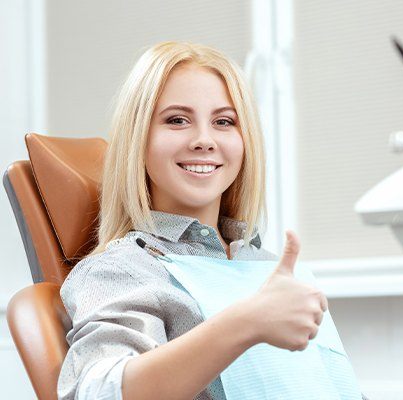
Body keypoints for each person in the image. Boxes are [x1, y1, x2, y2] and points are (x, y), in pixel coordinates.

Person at [57, 41, 363, 400]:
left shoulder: (268, 268)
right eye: (177, 120)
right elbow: (98, 391)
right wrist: (246, 322)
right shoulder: (124, 269)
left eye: (224, 121)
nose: (204, 140)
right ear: (138, 139)